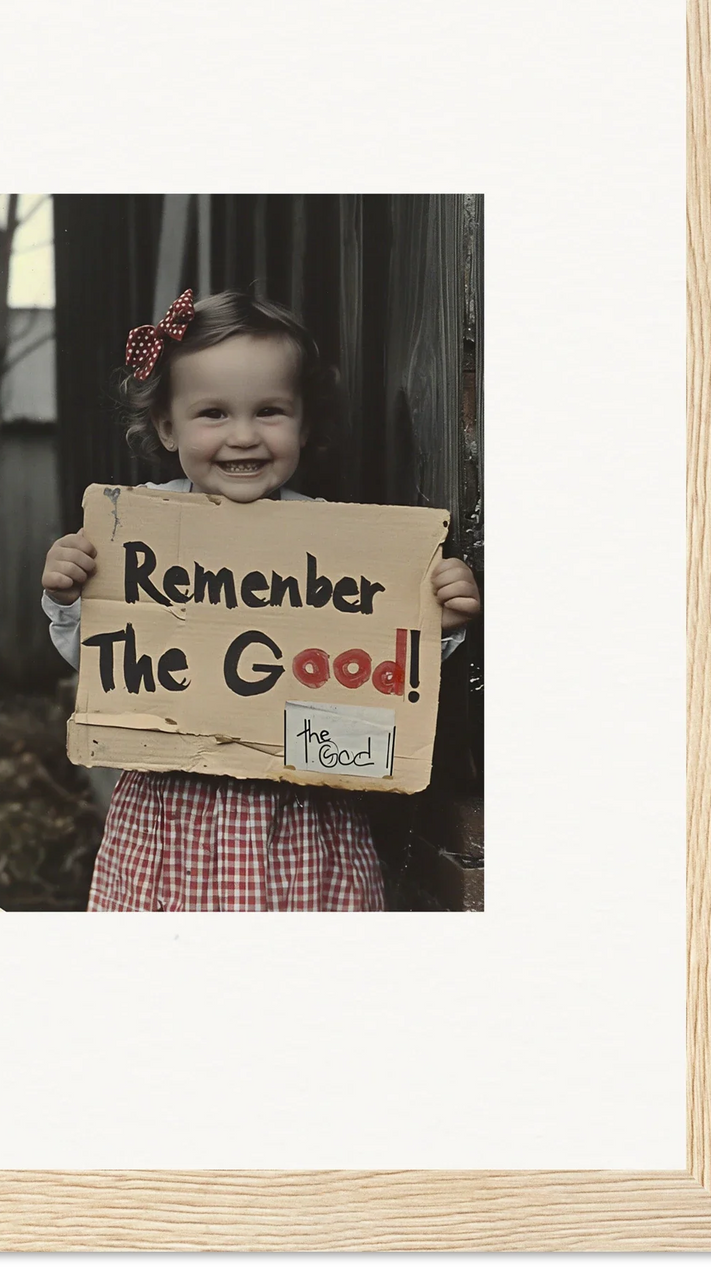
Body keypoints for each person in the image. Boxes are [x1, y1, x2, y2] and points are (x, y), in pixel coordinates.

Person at [41, 289, 480, 911]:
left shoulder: (341, 545)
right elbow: (103, 663)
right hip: (172, 817)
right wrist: (69, 594)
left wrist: (440, 619)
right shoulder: (135, 530)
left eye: (270, 411)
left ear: (304, 422)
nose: (243, 436)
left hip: (302, 816)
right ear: (167, 426)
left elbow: (379, 673)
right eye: (213, 413)